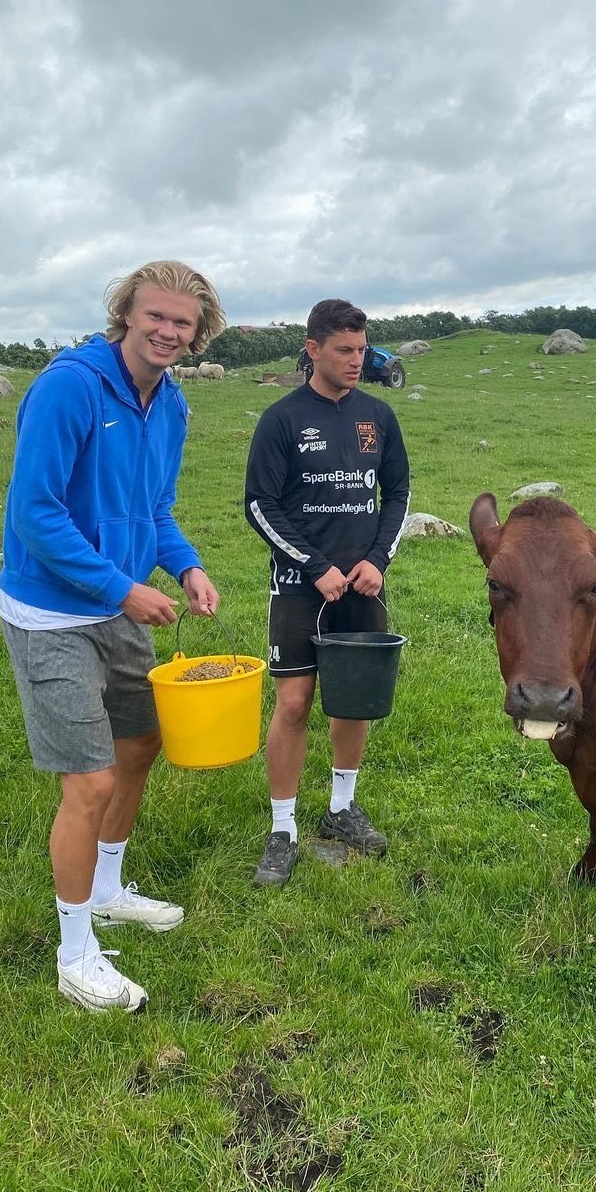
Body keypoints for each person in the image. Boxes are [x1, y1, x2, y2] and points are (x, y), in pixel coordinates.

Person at [0, 260, 224, 1013]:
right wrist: (124, 589)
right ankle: (74, 955)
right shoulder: (70, 386)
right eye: (153, 315)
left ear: (197, 335)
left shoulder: (174, 407)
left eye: (181, 323)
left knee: (139, 747)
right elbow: (36, 512)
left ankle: (105, 889)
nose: (165, 331)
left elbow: (154, 508)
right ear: (124, 314)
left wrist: (185, 567)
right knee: (89, 782)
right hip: (52, 614)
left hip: (118, 608)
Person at [244, 298, 411, 887]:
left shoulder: (378, 416)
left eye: (362, 350)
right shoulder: (282, 419)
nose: (356, 361)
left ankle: (341, 808)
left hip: (363, 584)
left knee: (352, 699)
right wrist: (314, 566)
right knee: (293, 704)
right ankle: (282, 826)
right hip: (299, 585)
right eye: (344, 350)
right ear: (312, 349)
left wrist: (377, 559)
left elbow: (397, 494)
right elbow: (260, 506)